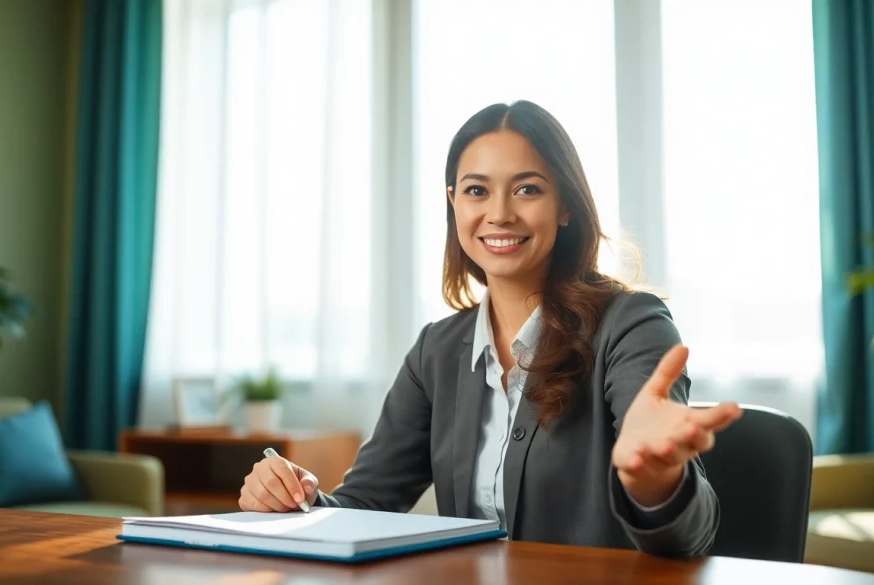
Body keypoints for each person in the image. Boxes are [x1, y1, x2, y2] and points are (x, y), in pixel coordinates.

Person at [238, 100, 742, 558]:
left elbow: (690, 538)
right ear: (454, 202)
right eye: (477, 190)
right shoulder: (434, 352)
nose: (500, 213)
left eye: (527, 188)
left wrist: (655, 478)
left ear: (565, 205)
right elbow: (363, 505)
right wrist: (296, 500)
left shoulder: (631, 325)